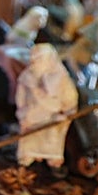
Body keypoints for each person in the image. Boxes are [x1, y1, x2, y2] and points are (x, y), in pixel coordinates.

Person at [15, 43, 78, 176]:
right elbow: (21, 97)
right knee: (29, 142)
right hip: (32, 115)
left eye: (39, 59)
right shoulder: (27, 76)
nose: (34, 62)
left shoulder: (61, 77)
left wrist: (66, 112)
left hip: (53, 117)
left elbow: (70, 98)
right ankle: (26, 163)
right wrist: (22, 113)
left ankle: (53, 165)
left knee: (52, 140)